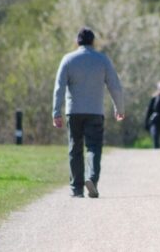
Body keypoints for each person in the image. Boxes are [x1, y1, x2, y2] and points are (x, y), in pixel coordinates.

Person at [52, 27, 125, 198]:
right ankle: (91, 178)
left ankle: (76, 189)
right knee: (93, 147)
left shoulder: (68, 59)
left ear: (77, 42)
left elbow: (59, 88)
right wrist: (119, 108)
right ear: (93, 42)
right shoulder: (102, 60)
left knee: (74, 149)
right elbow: (115, 86)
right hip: (94, 111)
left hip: (74, 111)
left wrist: (56, 112)